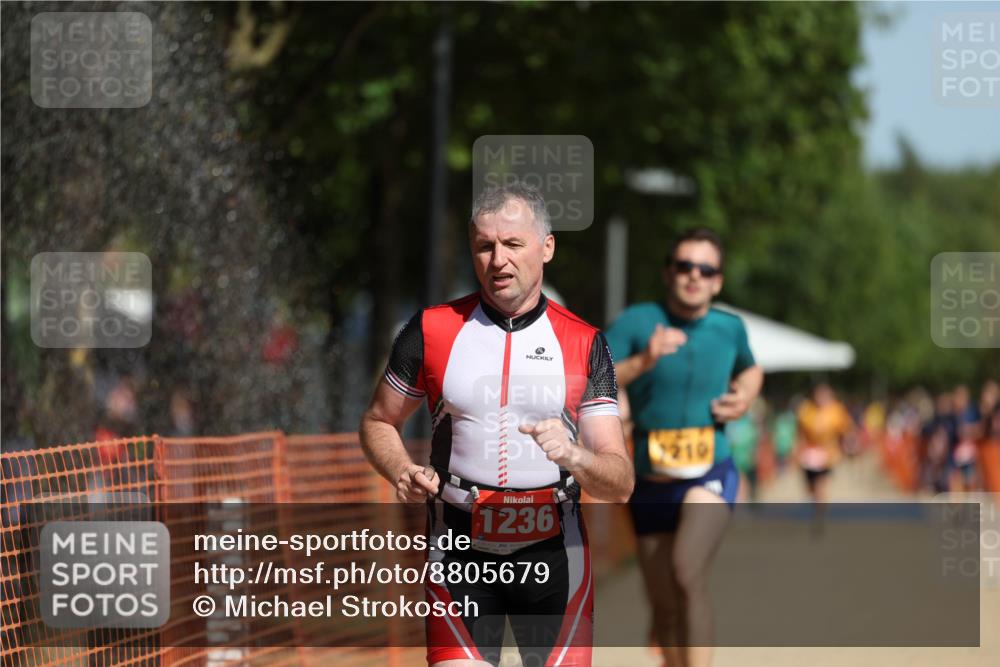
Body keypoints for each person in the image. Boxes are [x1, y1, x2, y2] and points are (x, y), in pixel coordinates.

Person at [359, 182, 633, 667]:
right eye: (485, 246)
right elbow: (379, 421)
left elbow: (621, 482)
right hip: (458, 549)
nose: (498, 260)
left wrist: (575, 455)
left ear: (547, 247)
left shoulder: (586, 343)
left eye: (513, 244)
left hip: (555, 553)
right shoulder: (430, 330)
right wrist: (401, 469)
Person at [604, 227, 763, 667]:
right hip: (649, 480)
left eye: (706, 269)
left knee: (686, 570)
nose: (695, 275)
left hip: (710, 470)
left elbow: (751, 369)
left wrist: (746, 396)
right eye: (685, 266)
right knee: (664, 605)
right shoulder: (637, 322)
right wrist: (645, 360)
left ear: (718, 281)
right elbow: (594, 377)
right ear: (668, 272)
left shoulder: (729, 328)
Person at [795, 382, 854, 508]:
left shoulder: (836, 411)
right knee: (810, 488)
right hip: (810, 454)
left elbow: (846, 430)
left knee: (820, 485)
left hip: (828, 455)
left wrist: (848, 445)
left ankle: (820, 512)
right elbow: (800, 432)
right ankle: (815, 500)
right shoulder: (807, 410)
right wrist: (798, 450)